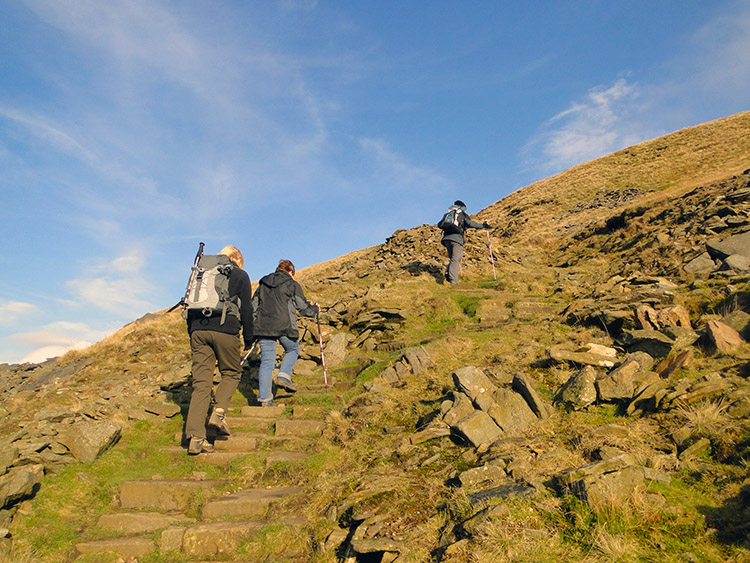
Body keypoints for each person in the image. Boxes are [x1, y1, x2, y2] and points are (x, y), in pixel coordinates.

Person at [185, 245, 253, 455]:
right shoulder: (239, 274)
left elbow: (189, 302)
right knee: (231, 372)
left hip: (198, 329)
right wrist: (249, 337)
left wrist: (193, 331)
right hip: (226, 328)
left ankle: (196, 438)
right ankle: (219, 411)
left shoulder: (201, 272)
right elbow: (247, 308)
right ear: (236, 258)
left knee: (201, 384)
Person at [252, 259, 317, 406]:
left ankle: (265, 399)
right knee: (293, 349)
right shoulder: (292, 284)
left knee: (267, 361)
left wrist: (253, 327)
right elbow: (302, 307)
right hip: (284, 325)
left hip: (264, 327)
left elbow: (253, 306)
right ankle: (283, 376)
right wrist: (315, 311)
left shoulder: (263, 284)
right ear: (290, 271)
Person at [438, 200, 490, 285]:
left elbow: (441, 224)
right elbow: (470, 223)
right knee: (456, 259)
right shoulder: (462, 214)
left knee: (453, 259)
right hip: (457, 238)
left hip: (446, 239)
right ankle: (454, 281)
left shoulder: (448, 214)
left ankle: (448, 272)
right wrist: (483, 226)